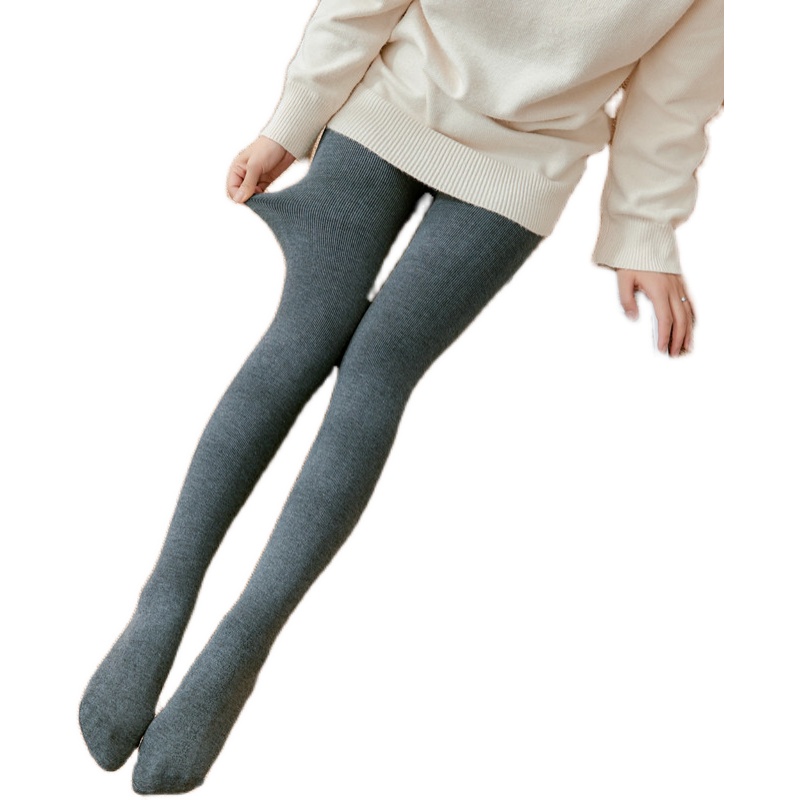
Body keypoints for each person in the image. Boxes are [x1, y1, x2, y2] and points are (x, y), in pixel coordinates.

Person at [79, 0, 724, 793]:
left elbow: (676, 93)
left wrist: (645, 231)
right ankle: (162, 605)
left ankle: (240, 643)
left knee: (379, 371)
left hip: (524, 168)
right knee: (301, 337)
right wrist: (291, 125)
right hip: (391, 102)